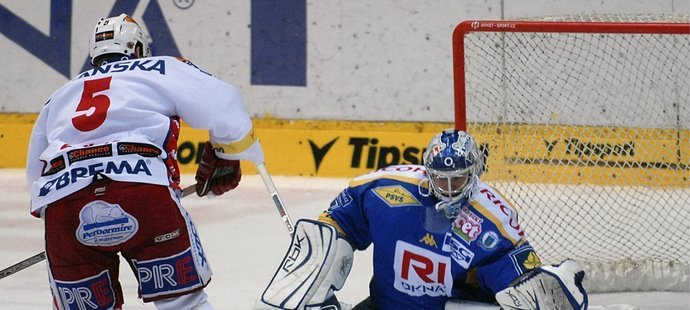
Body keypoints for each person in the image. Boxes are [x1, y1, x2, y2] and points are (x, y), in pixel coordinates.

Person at [26, 14, 264, 310]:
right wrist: (227, 154)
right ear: (137, 49)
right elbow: (225, 105)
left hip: (64, 203)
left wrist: (65, 231)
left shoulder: (59, 96)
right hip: (142, 192)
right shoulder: (159, 67)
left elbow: (36, 174)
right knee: (183, 304)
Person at [256, 129, 588, 310]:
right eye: (440, 178)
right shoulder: (384, 190)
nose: (447, 188)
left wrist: (532, 285)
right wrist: (321, 251)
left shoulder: (493, 218)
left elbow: (512, 278)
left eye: (457, 179)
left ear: (473, 174)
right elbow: (341, 220)